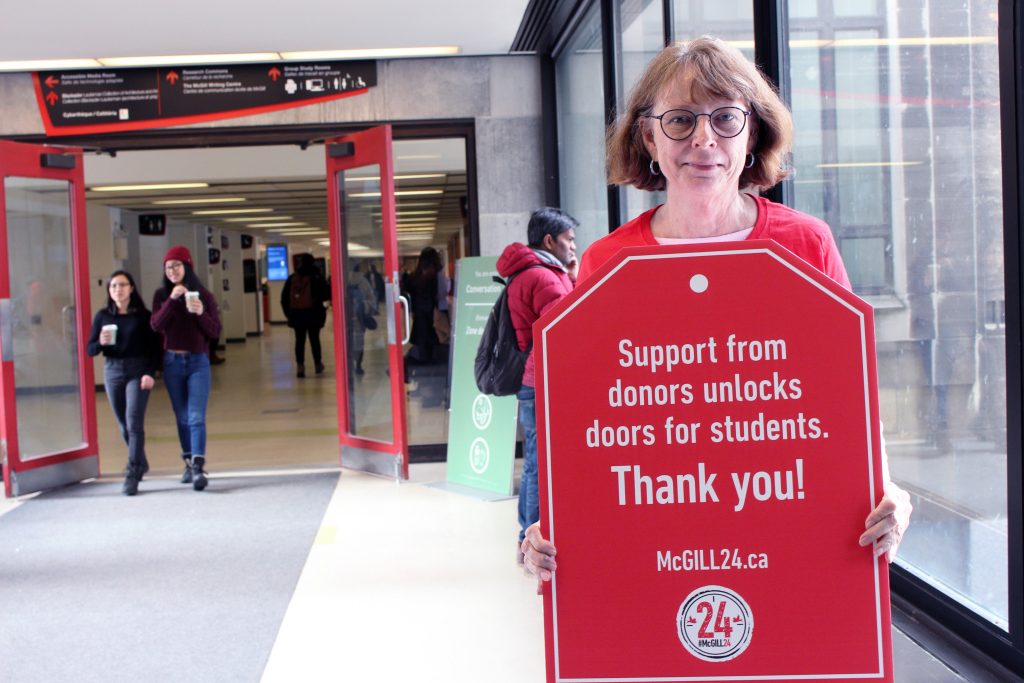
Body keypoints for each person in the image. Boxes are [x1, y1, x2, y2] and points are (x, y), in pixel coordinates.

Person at [521, 36, 912, 585]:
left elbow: (849, 395)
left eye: (726, 118)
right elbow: (587, 424)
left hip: (787, 528)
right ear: (649, 138)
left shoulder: (806, 245)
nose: (704, 138)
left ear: (752, 133)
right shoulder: (607, 263)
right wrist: (551, 526)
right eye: (680, 120)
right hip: (657, 536)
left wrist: (886, 489)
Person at [496, 207, 578, 561]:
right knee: (537, 463)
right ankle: (528, 537)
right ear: (550, 240)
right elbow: (567, 325)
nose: (574, 247)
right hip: (540, 379)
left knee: (534, 460)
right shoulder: (542, 277)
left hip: (531, 379)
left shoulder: (531, 272)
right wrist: (574, 282)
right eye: (569, 240)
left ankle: (524, 534)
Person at [151, 245, 222, 491]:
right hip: (172, 363)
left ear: (187, 267)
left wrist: (200, 312)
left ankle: (199, 468)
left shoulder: (204, 296)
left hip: (197, 362)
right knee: (182, 418)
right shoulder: (162, 296)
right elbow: (156, 325)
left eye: (177, 265)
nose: (172, 271)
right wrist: (171, 300)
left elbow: (214, 332)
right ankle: (188, 463)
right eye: (168, 267)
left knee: (195, 416)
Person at [86, 270, 162, 496]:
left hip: (138, 371)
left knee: (133, 421)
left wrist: (151, 373)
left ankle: (133, 471)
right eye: (113, 286)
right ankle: (141, 460)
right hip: (112, 370)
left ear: (131, 288)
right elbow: (90, 350)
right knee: (122, 422)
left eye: (122, 285)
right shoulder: (102, 317)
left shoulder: (144, 317)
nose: (117, 289)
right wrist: (99, 341)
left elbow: (155, 350)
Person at [281, 253, 330, 378]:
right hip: (313, 315)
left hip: (297, 316)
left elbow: (284, 298)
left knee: (299, 341)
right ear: (313, 262)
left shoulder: (293, 278)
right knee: (314, 340)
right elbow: (326, 294)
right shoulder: (317, 277)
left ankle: (300, 367)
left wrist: (289, 314)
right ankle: (318, 364)